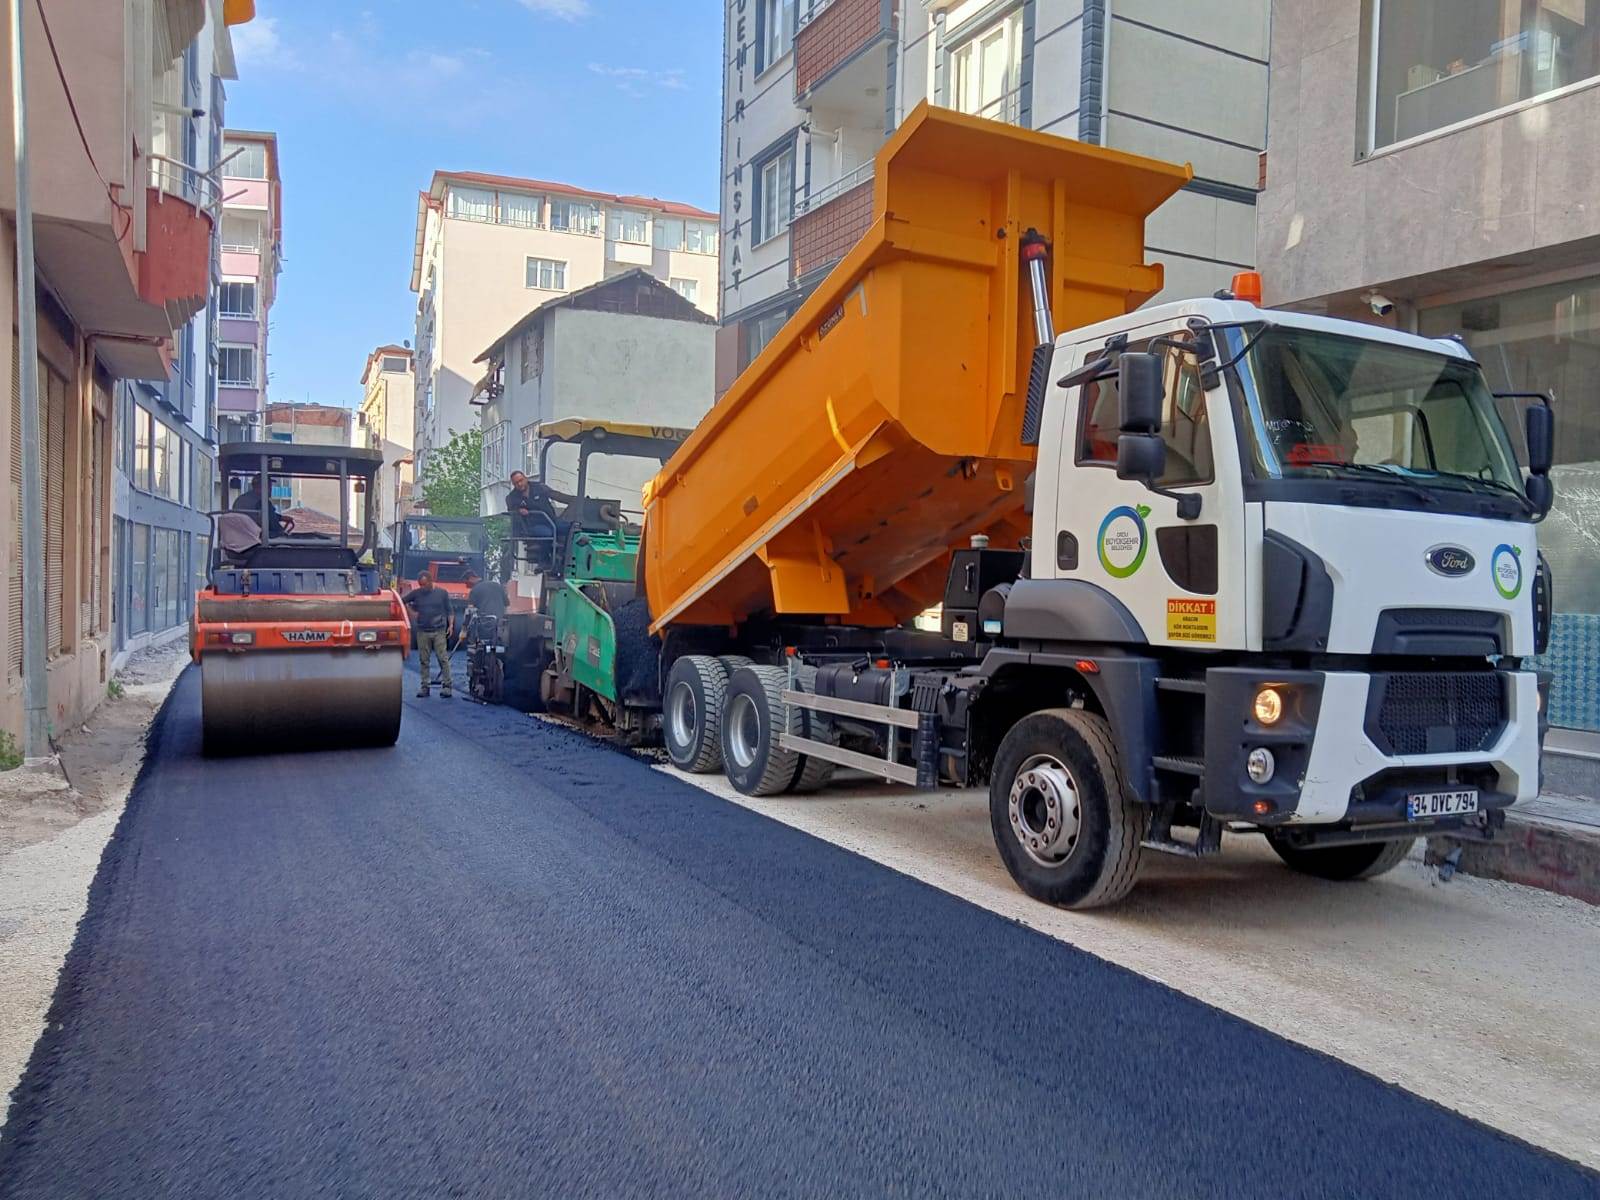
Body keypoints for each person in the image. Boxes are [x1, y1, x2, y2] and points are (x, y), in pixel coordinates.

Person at [505, 470, 575, 568]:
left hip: (551, 521)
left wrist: (578, 500)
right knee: (547, 533)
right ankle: (544, 560)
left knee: (571, 528)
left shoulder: (540, 488)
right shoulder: (512, 497)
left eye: (521, 480)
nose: (520, 484)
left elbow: (557, 496)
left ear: (526, 478)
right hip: (532, 526)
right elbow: (511, 511)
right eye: (516, 483)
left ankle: (565, 555)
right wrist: (518, 511)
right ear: (513, 484)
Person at [404, 570, 454, 699]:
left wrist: (451, 625)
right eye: (420, 584)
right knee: (424, 660)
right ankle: (425, 687)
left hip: (439, 631)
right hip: (423, 631)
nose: (422, 587)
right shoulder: (417, 593)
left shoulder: (442, 593)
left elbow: (450, 611)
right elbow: (402, 601)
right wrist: (411, 612)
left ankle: (447, 686)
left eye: (424, 584)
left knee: (443, 658)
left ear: (430, 582)